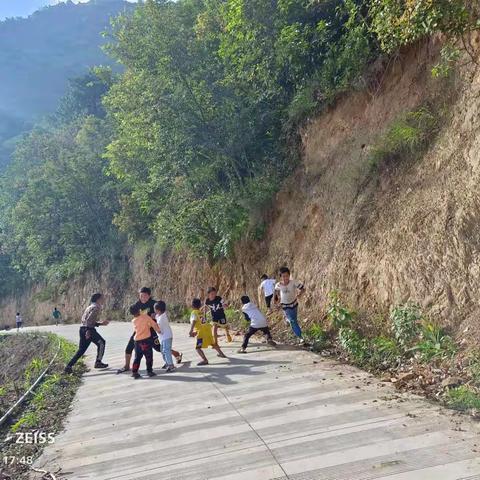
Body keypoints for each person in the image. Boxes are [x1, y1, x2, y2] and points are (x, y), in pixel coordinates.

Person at [117, 287, 160, 374]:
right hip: (140, 330)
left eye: (145, 296)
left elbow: (162, 313)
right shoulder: (137, 304)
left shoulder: (154, 303)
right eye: (141, 296)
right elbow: (134, 313)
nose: (143, 298)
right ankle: (126, 366)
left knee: (158, 348)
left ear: (149, 295)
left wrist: (155, 315)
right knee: (129, 347)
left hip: (151, 329)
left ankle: (176, 354)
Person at [65, 293, 109, 374]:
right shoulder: (97, 307)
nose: (104, 300)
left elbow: (86, 320)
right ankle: (98, 362)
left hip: (82, 329)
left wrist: (100, 324)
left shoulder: (90, 306)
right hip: (89, 330)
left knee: (81, 350)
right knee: (102, 343)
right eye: (102, 298)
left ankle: (69, 366)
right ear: (98, 299)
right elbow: (89, 321)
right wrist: (88, 330)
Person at [189, 298, 226, 365]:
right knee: (212, 343)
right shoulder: (200, 312)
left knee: (198, 348)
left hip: (201, 332)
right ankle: (221, 354)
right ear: (200, 305)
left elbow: (194, 321)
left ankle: (205, 360)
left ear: (192, 305)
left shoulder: (193, 313)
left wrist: (191, 330)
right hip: (207, 329)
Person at [274, 267, 305, 343]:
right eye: (283, 276)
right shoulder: (278, 285)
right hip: (285, 306)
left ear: (289, 275)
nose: (285, 278)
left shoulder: (293, 282)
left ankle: (286, 319)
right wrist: (276, 303)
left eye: (287, 276)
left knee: (294, 320)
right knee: (293, 321)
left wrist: (300, 294)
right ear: (280, 277)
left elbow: (303, 288)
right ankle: (301, 337)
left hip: (294, 304)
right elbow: (276, 294)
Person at [130, 303, 160, 379]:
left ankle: (134, 372)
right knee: (149, 356)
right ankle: (149, 371)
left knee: (137, 357)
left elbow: (142, 325)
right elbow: (154, 324)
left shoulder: (133, 321)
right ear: (139, 310)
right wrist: (159, 331)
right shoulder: (145, 317)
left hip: (137, 342)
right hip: (146, 340)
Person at [154, 301, 181, 373]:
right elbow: (156, 316)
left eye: (155, 309)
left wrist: (154, 326)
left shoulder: (161, 319)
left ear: (158, 310)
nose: (154, 311)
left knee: (166, 351)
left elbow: (160, 331)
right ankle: (167, 363)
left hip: (166, 337)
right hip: (164, 337)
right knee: (163, 351)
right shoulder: (161, 315)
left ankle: (171, 365)